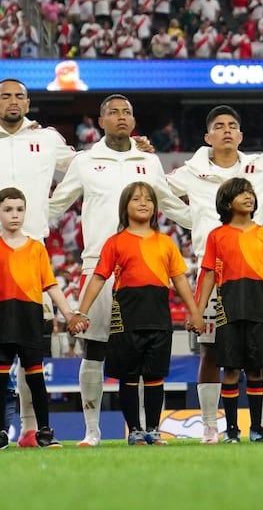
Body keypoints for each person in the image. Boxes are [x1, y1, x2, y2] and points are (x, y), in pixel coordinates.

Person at [48, 94, 191, 447]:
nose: (121, 117)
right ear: (101, 121)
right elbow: (56, 205)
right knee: (94, 350)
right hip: (99, 266)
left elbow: (170, 205)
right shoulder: (85, 161)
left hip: (143, 272)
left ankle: (147, 430)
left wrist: (207, 224)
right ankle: (92, 431)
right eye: (113, 112)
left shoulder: (148, 160)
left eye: (127, 111)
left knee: (145, 357)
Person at [0, 78, 76, 449]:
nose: (13, 101)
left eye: (19, 96)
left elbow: (84, 167)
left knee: (30, 347)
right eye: (5, 96)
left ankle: (30, 430)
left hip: (30, 249)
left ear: (28, 102)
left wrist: (51, 209)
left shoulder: (48, 139)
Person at [166, 105, 263, 443]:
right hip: (214, 267)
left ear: (240, 135)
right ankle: (210, 425)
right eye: (219, 126)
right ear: (207, 137)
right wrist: (194, 219)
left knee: (258, 354)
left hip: (253, 274)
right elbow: (158, 193)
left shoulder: (260, 167)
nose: (226, 130)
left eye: (233, 126)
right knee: (211, 351)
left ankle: (261, 425)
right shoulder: (191, 171)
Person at [68, 182, 203, 445]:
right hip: (126, 317)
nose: (143, 203)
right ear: (124, 207)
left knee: (154, 376)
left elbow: (181, 281)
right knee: (129, 376)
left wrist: (195, 313)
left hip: (158, 316)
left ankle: (153, 429)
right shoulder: (115, 242)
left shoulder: (166, 243)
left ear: (155, 207)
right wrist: (81, 312)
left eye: (149, 199)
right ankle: (135, 431)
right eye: (136, 199)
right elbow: (98, 279)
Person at [0, 187, 76, 449]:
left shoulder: (36, 249)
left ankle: (43, 432)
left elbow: (51, 285)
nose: (15, 215)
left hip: (29, 316)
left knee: (35, 377)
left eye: (20, 209)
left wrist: (68, 313)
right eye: (8, 210)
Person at [195, 178, 263, 443]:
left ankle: (258, 428)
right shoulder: (216, 236)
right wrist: (197, 312)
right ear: (226, 202)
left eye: (251, 193)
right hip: (228, 307)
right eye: (241, 193)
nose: (249, 197)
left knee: (256, 369)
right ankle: (231, 431)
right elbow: (208, 275)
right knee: (230, 370)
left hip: (257, 306)